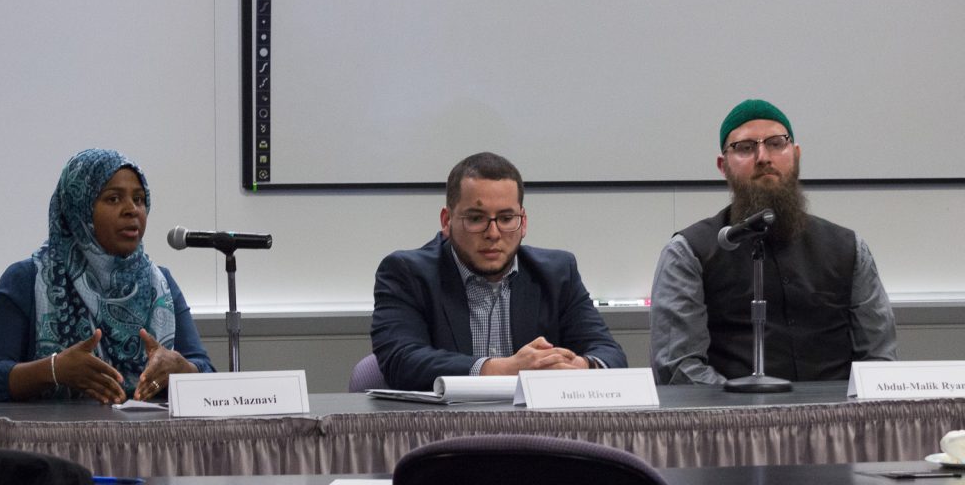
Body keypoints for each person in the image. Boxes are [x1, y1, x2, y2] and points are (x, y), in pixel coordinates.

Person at [650, 99, 897, 385]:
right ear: (723, 166)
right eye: (745, 148)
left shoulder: (849, 249)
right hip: (732, 424)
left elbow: (879, 363)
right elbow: (680, 369)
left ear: (796, 155)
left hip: (838, 423)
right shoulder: (689, 252)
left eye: (776, 143)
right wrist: (753, 415)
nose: (763, 156)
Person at [0, 149, 215, 403]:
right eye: (113, 199)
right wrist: (53, 370)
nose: (132, 210)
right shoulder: (27, 279)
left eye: (139, 199)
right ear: (80, 209)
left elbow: (205, 371)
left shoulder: (160, 283)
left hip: (149, 439)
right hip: (47, 439)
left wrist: (181, 368)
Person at [371, 152, 627, 390]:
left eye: (506, 219)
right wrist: (501, 369)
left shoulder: (557, 273)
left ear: (523, 222)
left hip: (536, 430)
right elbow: (401, 360)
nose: (493, 234)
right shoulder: (406, 273)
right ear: (447, 221)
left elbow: (609, 353)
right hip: (447, 429)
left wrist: (580, 366)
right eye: (476, 219)